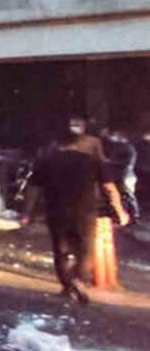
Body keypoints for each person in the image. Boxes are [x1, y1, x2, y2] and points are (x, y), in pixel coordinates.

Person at [22, 128, 129, 305]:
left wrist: (27, 213)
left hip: (56, 211)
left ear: (56, 143)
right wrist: (119, 211)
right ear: (79, 143)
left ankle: (67, 287)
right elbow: (110, 188)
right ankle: (79, 279)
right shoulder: (92, 161)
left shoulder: (46, 161)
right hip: (85, 212)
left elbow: (33, 189)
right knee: (86, 250)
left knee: (61, 250)